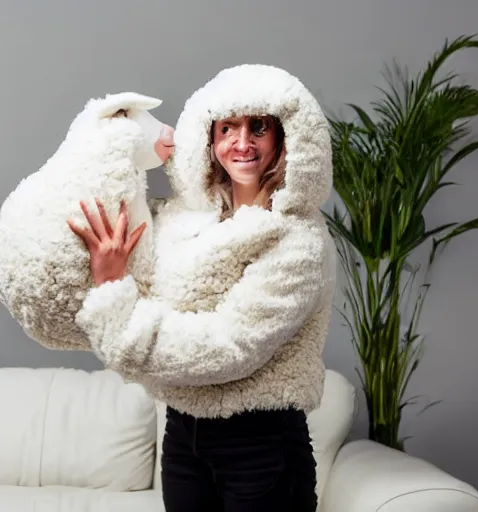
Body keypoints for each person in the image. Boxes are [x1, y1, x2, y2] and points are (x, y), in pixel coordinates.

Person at [68, 64, 337, 512]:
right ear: (210, 139)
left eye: (259, 127)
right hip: (183, 436)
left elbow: (229, 346)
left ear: (286, 137)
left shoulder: (298, 240)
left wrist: (115, 304)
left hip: (259, 446)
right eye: (227, 127)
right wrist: (125, 143)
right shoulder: (185, 222)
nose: (242, 142)